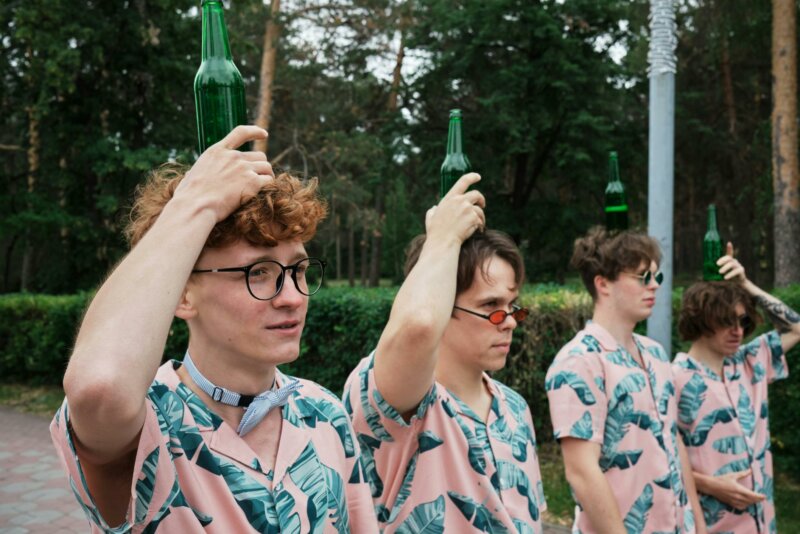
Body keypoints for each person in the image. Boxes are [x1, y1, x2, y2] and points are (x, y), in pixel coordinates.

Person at [49, 126, 376, 532]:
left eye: (299, 270)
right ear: (182, 295)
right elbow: (100, 385)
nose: (293, 296)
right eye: (259, 272)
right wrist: (196, 203)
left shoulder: (325, 412)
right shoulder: (149, 426)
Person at [342, 174, 547, 532]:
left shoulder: (514, 408)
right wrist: (444, 237)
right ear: (442, 308)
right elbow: (418, 326)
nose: (510, 322)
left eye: (513, 306)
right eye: (492, 306)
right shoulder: (397, 405)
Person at [546, 227, 706, 534]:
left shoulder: (656, 354)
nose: (655, 286)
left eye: (657, 277)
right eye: (643, 276)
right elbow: (581, 471)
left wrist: (698, 524)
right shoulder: (579, 361)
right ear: (603, 283)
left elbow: (673, 440)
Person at [672, 243, 800, 533]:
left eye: (742, 321)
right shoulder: (673, 378)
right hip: (710, 525)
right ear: (700, 319)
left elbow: (796, 328)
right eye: (726, 321)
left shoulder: (751, 361)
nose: (738, 331)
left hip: (764, 524)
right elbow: (659, 460)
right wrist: (708, 484)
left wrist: (744, 283)